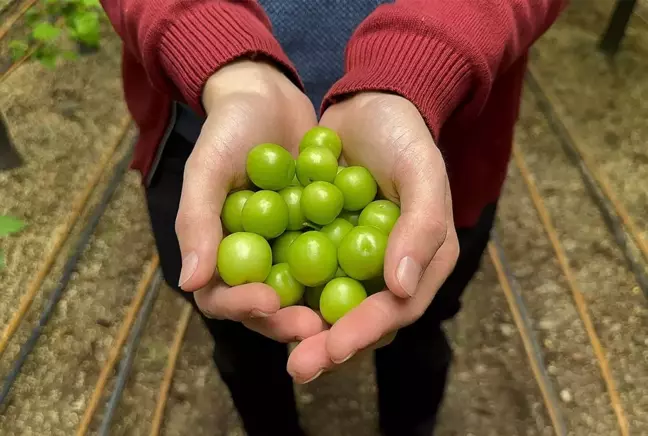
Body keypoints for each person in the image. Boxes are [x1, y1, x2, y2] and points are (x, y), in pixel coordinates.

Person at [101, 1, 565, 434]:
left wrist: (424, 56)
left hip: (435, 143)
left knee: (417, 322)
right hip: (210, 130)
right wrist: (210, 42)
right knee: (239, 333)